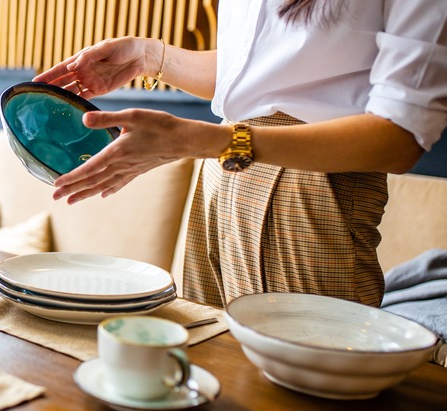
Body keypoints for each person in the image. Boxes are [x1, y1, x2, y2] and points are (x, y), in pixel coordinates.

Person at [32, 0, 447, 309]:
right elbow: (253, 76)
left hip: (309, 184)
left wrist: (214, 142)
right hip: (222, 175)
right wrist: (148, 56)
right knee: (214, 371)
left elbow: (401, 135)